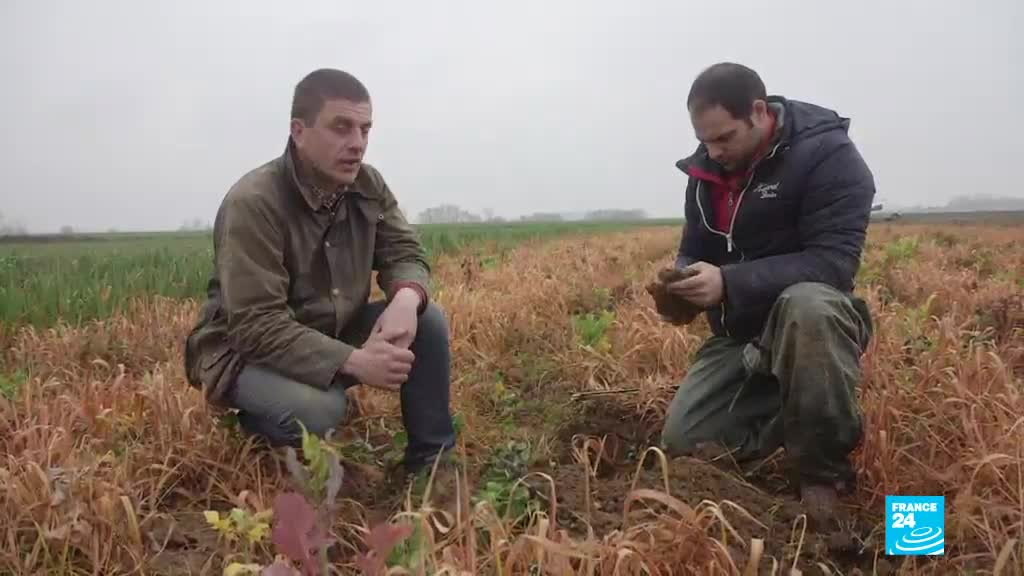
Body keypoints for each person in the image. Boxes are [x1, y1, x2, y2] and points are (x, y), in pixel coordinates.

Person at [184, 68, 456, 476]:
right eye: (341, 127)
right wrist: (355, 361)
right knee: (322, 408)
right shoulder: (254, 202)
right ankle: (258, 426)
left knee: (426, 319)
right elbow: (256, 326)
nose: (357, 143)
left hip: (327, 330)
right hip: (244, 354)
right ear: (299, 131)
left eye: (365, 129)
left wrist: (406, 297)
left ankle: (431, 466)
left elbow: (404, 251)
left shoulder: (367, 185)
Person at [654, 62, 875, 525]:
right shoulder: (707, 168)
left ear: (758, 111)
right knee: (684, 441)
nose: (713, 152)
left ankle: (823, 472)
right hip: (742, 335)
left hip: (811, 322)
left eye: (724, 138)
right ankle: (800, 407)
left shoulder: (829, 156)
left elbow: (832, 263)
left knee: (808, 305)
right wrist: (680, 284)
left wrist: (728, 283)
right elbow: (696, 247)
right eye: (705, 140)